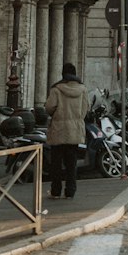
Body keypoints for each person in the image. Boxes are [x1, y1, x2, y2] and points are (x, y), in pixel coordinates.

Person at [44, 62, 90, 199]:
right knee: (72, 164)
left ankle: (56, 191)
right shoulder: (83, 90)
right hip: (74, 131)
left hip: (58, 131)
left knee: (56, 164)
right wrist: (77, 119)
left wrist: (57, 115)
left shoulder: (56, 89)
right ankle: (70, 191)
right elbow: (85, 109)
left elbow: (49, 107)